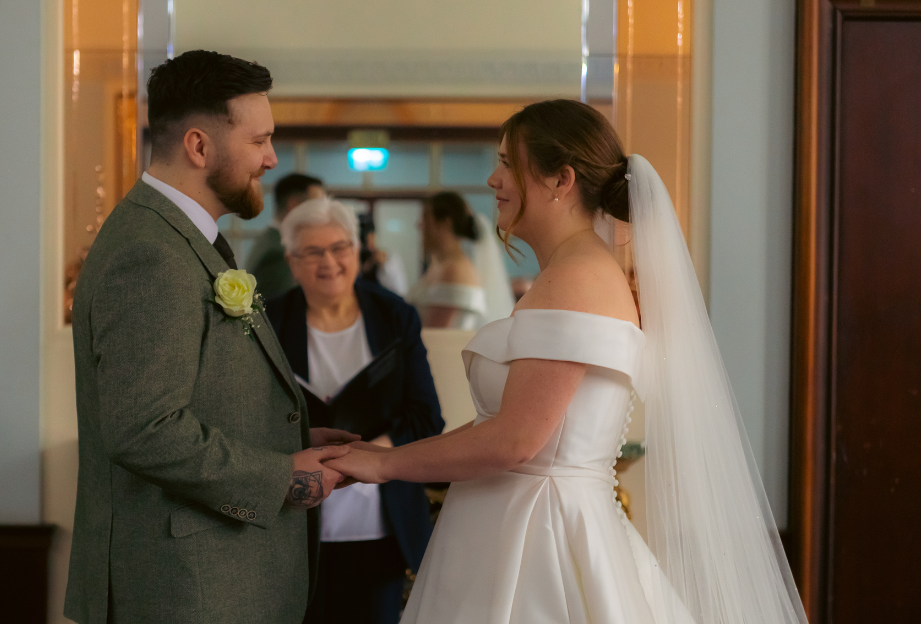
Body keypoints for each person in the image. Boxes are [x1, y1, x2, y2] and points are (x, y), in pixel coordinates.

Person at [327, 100, 808, 624]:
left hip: (537, 537)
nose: (493, 178)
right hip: (519, 520)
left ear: (561, 180)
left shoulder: (575, 278)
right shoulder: (572, 272)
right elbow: (507, 422)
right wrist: (381, 452)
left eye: (508, 162)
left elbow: (516, 440)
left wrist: (383, 465)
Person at [64, 50, 359, 624]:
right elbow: (144, 428)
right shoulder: (151, 253)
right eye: (259, 141)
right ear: (199, 147)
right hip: (186, 592)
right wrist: (282, 476)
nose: (272, 159)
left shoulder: (174, 237)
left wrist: (282, 436)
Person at [265, 198, 445, 624]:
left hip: (379, 525)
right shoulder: (269, 321)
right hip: (292, 525)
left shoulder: (394, 315)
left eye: (340, 247)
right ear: (292, 261)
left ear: (358, 251)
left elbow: (426, 418)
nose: (329, 261)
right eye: (313, 252)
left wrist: (365, 457)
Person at [407, 192, 487, 329]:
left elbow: (437, 331)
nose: (419, 225)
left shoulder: (455, 269)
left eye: (426, 218)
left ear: (445, 223)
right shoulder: (438, 265)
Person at [246, 173, 326, 299]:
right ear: (294, 204)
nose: (323, 214)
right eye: (317, 206)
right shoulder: (279, 251)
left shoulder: (271, 239)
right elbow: (280, 312)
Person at [357, 211, 409, 297]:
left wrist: (384, 267)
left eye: (370, 235)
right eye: (363, 238)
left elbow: (400, 292)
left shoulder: (389, 259)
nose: (367, 242)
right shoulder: (351, 260)